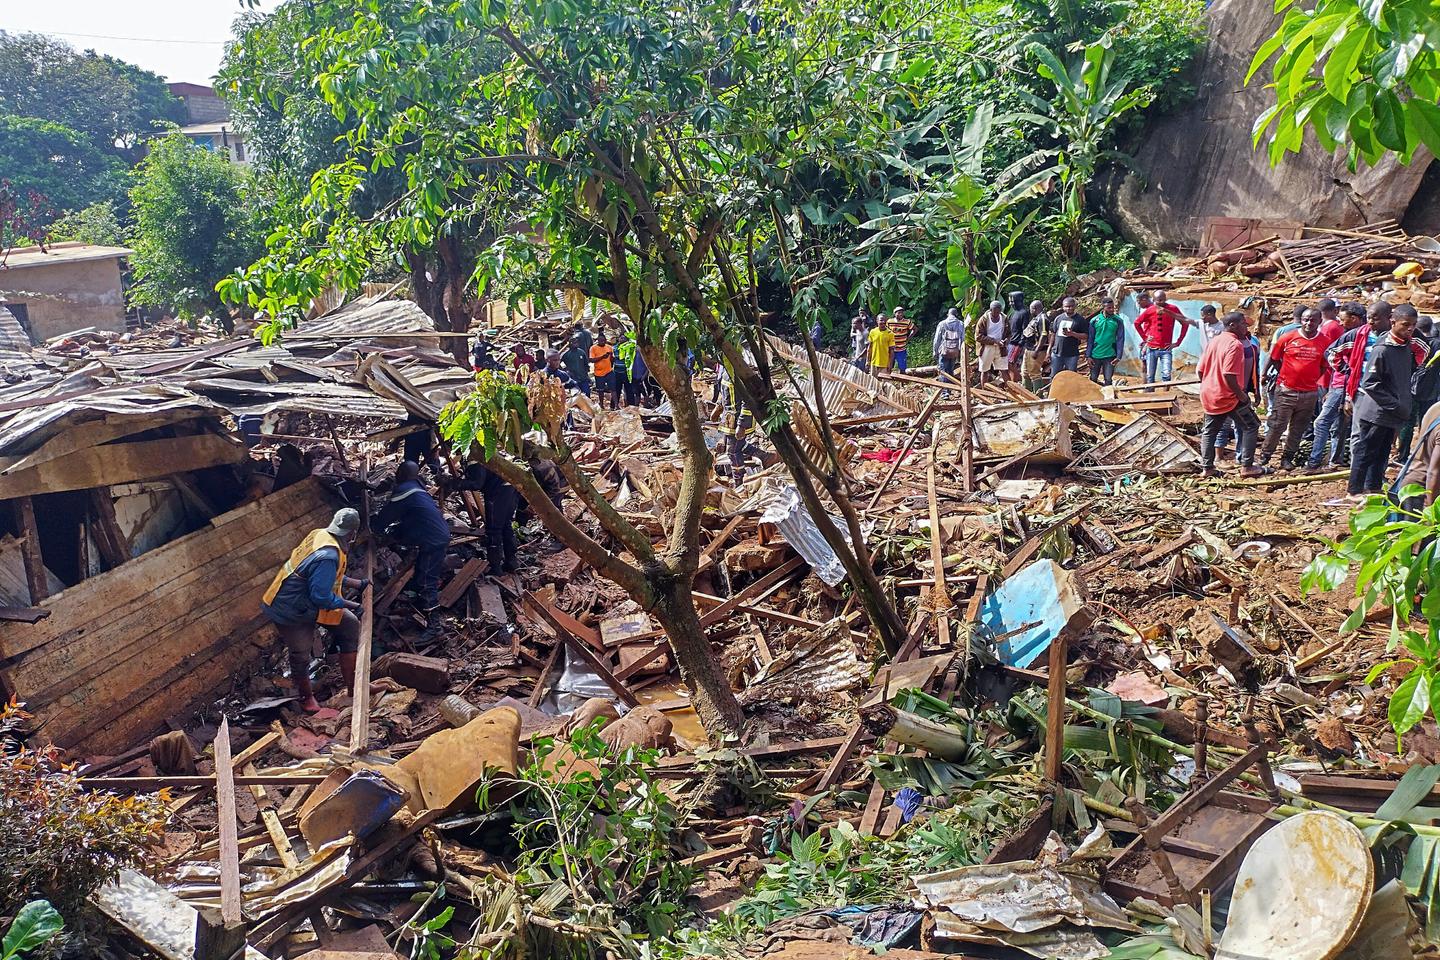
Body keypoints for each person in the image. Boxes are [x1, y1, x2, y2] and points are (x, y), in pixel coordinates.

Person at [261, 508, 368, 713]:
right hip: (290, 608)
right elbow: (320, 596)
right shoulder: (328, 555)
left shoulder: (320, 534)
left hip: (308, 601)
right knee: (300, 653)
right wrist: (352, 605)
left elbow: (326, 577)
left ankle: (355, 688)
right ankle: (306, 698)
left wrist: (357, 584)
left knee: (350, 626)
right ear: (352, 534)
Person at [1349, 306, 1421, 497]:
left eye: (1413, 325)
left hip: (1393, 413)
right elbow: (1371, 383)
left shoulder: (1405, 346)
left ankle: (1373, 487)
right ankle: (1354, 491)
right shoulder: (1382, 349)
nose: (1410, 329)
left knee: (1382, 453)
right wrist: (1395, 405)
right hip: (1377, 412)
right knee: (1366, 452)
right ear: (1393, 322)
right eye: (1406, 325)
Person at [377, 461, 450, 640]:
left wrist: (372, 527)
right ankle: (421, 613)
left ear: (401, 474)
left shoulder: (404, 492)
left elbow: (383, 519)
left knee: (426, 582)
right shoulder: (417, 488)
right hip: (436, 535)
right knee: (422, 577)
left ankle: (435, 627)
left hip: (432, 540)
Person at [1257, 309, 1327, 470]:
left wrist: (1311, 379)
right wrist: (1273, 374)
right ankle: (1265, 456)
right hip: (1286, 390)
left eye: (1313, 320)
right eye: (1305, 320)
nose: (1309, 323)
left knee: (1298, 428)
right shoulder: (1288, 337)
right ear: (1301, 320)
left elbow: (1323, 366)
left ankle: (1287, 458)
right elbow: (1274, 358)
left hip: (1309, 393)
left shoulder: (1324, 341)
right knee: (1277, 425)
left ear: (1319, 321)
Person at [1197, 312, 1264, 478]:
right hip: (1229, 396)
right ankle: (1247, 466)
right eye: (1243, 324)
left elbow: (1200, 370)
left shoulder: (1215, 341)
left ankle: (1208, 468)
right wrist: (1241, 394)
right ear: (1233, 325)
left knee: (1209, 431)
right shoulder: (1235, 345)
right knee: (1251, 425)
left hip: (1210, 394)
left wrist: (1209, 383)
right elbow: (1228, 374)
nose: (1246, 327)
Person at [1307, 302, 1368, 471]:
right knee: (1340, 425)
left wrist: (1346, 371)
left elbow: (1331, 355)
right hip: (1341, 384)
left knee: (1322, 422)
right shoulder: (1358, 335)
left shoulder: (1355, 336)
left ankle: (1315, 460)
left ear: (1354, 319)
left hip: (1343, 385)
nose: (1340, 323)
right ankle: (1336, 459)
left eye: (1343, 319)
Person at [461, 462, 521, 575]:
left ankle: (496, 567)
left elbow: (476, 483)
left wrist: (455, 484)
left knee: (493, 530)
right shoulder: (484, 451)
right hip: (509, 488)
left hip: (498, 491)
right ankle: (512, 562)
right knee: (506, 525)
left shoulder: (474, 458)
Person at [1399, 315, 1440, 461]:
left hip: (1411, 389)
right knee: (1427, 423)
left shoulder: (1412, 343)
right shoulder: (1436, 344)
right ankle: (1423, 456)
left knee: (1408, 424)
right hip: (1431, 391)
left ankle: (1402, 456)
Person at [1134, 290, 1192, 383]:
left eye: (1162, 300)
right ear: (1154, 300)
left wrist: (1178, 342)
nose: (1160, 303)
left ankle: (1167, 394)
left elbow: (1185, 323)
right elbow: (1137, 323)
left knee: (1166, 375)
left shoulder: (1172, 309)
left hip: (1166, 348)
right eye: (1158, 301)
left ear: (1166, 299)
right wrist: (1145, 338)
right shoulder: (1150, 310)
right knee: (1150, 376)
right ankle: (1149, 393)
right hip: (1151, 348)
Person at [1087, 297, 1124, 385]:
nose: (1112, 309)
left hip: (1110, 355)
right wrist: (1088, 356)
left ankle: (1108, 398)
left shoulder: (1118, 321)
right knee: (1093, 378)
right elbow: (1090, 339)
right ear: (1103, 307)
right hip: (1095, 354)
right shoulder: (1094, 320)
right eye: (1109, 308)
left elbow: (1120, 339)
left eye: (1113, 307)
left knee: (1108, 379)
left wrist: (1118, 356)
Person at [1051, 297, 1087, 375]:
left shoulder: (1080, 320)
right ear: (1063, 307)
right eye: (1066, 306)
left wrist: (1073, 334)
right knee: (1054, 376)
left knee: (1071, 377)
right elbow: (1053, 334)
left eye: (1071, 306)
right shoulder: (1058, 318)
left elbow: (1086, 336)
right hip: (1057, 354)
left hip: (1072, 354)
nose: (1069, 308)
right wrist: (1049, 350)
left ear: (1074, 306)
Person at [976, 300, 1010, 384]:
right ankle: (983, 393)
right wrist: (994, 341)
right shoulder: (983, 320)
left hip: (1001, 348)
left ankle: (1010, 391)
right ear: (990, 310)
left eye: (998, 312)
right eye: (995, 312)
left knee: (1004, 370)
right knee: (985, 370)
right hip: (986, 348)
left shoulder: (1004, 318)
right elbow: (978, 336)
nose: (996, 314)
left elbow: (1009, 333)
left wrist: (1006, 341)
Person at [1021, 299, 1051, 392]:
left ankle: (1038, 395)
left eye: (1030, 309)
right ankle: (1027, 393)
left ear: (1034, 308)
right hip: (1029, 348)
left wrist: (1037, 350)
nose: (1030, 311)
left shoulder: (1042, 318)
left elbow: (1044, 335)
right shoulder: (1036, 318)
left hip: (1035, 350)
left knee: (1034, 373)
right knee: (1025, 372)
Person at [933, 308, 966, 381]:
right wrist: (960, 352)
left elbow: (937, 340)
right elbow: (963, 339)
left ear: (948, 314)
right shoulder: (960, 324)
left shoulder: (942, 324)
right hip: (955, 351)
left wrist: (935, 351)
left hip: (944, 351)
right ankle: (950, 389)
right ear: (956, 315)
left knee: (943, 371)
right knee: (951, 370)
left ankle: (945, 391)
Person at [589, 330, 618, 409]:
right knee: (600, 390)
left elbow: (612, 360)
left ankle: (616, 405)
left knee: (613, 389)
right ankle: (601, 405)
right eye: (600, 341)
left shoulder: (609, 347)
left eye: (604, 340)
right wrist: (602, 357)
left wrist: (611, 357)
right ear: (598, 340)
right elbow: (591, 360)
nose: (602, 342)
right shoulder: (593, 348)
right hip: (599, 373)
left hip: (609, 371)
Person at [1005, 292, 1030, 383]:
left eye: (1013, 301)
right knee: (1008, 364)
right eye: (1010, 301)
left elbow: (1025, 329)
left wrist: (1021, 343)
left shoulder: (1024, 313)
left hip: (1017, 343)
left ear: (1019, 301)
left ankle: (1014, 383)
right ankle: (1015, 381)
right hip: (1011, 342)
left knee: (1010, 363)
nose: (1011, 303)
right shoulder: (1013, 313)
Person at [888, 307, 914, 372]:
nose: (901, 314)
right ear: (895, 314)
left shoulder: (907, 322)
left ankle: (903, 381)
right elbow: (886, 332)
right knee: (889, 366)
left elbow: (915, 329)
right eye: (899, 313)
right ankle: (888, 380)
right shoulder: (889, 322)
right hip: (891, 348)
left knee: (902, 368)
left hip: (901, 348)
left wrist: (908, 338)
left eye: (902, 312)